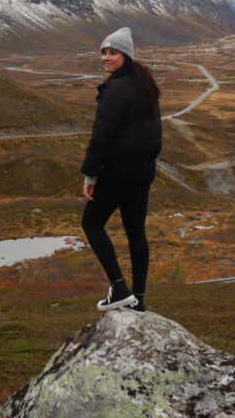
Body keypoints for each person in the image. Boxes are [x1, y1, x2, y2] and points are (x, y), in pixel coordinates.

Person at [81, 26, 162, 312]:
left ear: (125, 55)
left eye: (112, 52)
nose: (105, 57)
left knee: (91, 223)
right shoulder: (143, 84)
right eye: (103, 52)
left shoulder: (115, 88)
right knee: (136, 232)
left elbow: (101, 136)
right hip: (144, 169)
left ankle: (119, 288)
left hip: (121, 170)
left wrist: (91, 175)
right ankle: (138, 299)